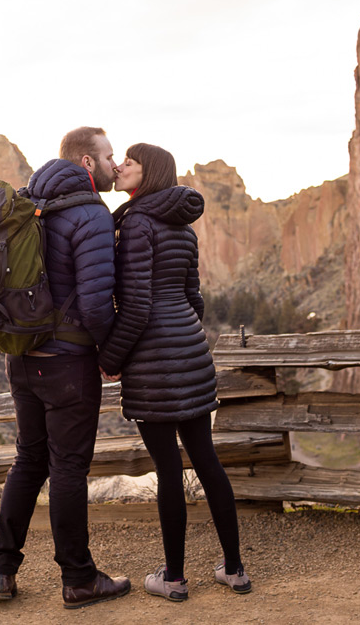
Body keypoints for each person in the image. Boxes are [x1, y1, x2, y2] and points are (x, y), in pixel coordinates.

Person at [98, 143, 251, 602]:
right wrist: (181, 336)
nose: (121, 165)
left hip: (152, 362)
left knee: (168, 471)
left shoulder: (138, 224)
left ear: (150, 173)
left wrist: (111, 359)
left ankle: (175, 578)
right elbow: (195, 301)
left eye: (130, 161)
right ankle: (235, 570)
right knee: (207, 461)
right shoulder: (183, 229)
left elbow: (137, 306)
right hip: (191, 353)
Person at [0, 126, 131, 609]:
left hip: (22, 359)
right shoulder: (90, 213)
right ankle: (79, 579)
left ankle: (1, 569)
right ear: (87, 163)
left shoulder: (29, 202)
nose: (115, 164)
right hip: (67, 363)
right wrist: (110, 354)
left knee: (29, 460)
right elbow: (94, 305)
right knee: (68, 467)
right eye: (109, 156)